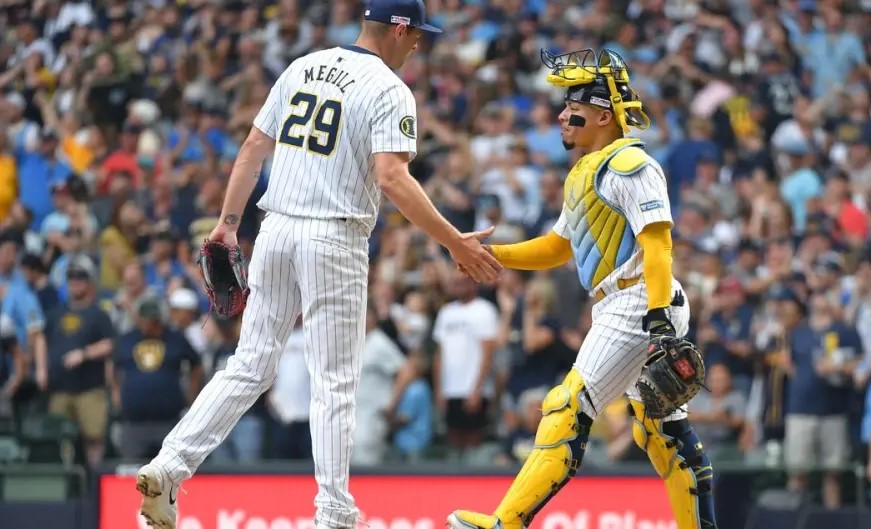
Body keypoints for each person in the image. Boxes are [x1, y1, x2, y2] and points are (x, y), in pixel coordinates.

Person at [136, 1, 502, 527]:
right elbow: (393, 178)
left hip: (276, 227)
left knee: (249, 365)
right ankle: (333, 510)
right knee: (334, 380)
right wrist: (454, 242)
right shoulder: (389, 88)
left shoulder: (302, 66)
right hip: (333, 237)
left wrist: (227, 222)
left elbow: (252, 148)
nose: (419, 42)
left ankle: (170, 465)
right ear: (398, 28)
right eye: (417, 32)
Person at [448, 49, 718, 529]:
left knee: (567, 405)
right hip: (626, 303)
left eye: (571, 104)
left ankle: (506, 522)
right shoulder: (583, 172)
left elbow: (658, 244)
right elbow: (557, 248)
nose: (560, 114)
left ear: (600, 113)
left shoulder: (630, 162)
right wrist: (491, 255)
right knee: (662, 433)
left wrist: (656, 317)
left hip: (639, 301)